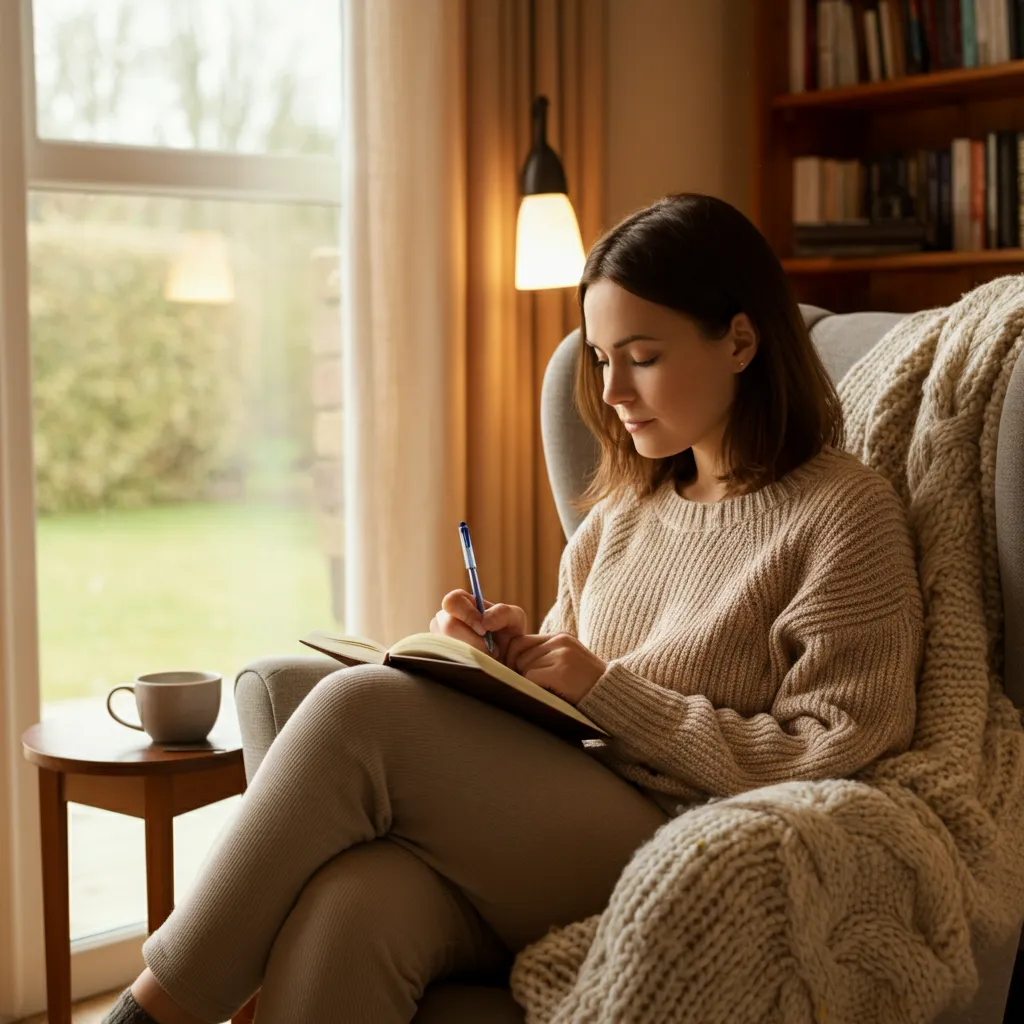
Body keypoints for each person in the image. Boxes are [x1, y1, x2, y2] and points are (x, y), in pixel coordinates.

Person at [103, 193, 924, 1024]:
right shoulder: (624, 512)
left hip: (691, 843)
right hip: (564, 821)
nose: (612, 392)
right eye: (602, 360)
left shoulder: (842, 514)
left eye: (641, 357)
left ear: (740, 341)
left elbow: (840, 750)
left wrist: (607, 691)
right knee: (356, 904)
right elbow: (572, 697)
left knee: (357, 708)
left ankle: (146, 1014)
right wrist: (503, 667)